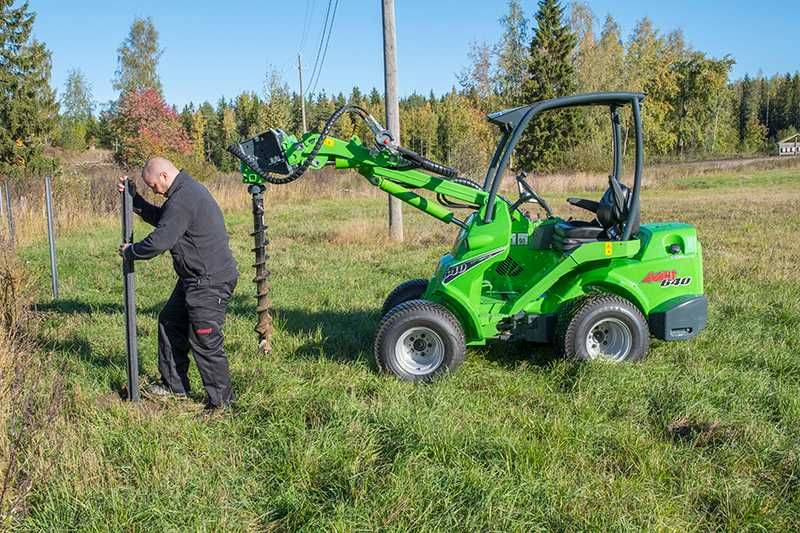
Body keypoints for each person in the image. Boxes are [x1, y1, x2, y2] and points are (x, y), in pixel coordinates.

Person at [118, 157, 238, 409]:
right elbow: (167, 220)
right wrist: (136, 201)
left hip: (209, 280)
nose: (154, 191)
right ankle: (175, 385)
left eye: (153, 186)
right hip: (193, 277)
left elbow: (161, 240)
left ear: (163, 176)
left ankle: (222, 405)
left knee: (204, 339)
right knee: (170, 321)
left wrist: (132, 251)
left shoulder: (184, 197)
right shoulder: (183, 192)